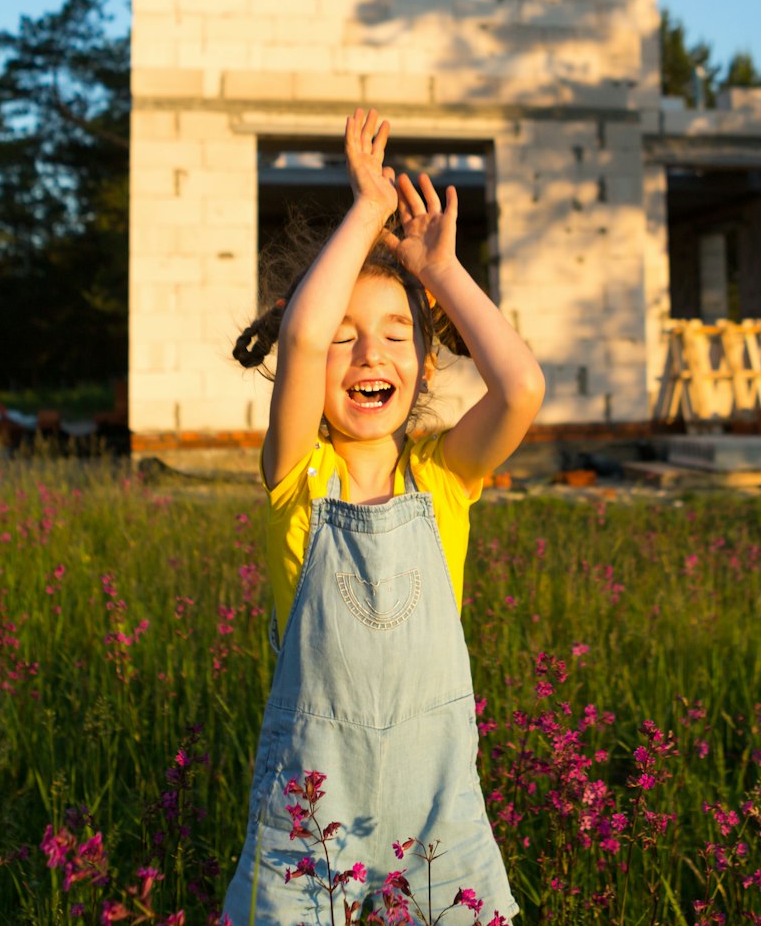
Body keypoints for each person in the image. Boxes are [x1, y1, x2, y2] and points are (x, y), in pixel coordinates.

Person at [222, 109, 543, 925]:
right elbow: (298, 336)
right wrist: (367, 209)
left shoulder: (443, 478)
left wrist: (440, 273)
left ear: (426, 361)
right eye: (347, 337)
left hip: (441, 812)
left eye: (397, 335)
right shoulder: (299, 472)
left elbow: (521, 388)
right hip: (310, 810)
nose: (370, 354)